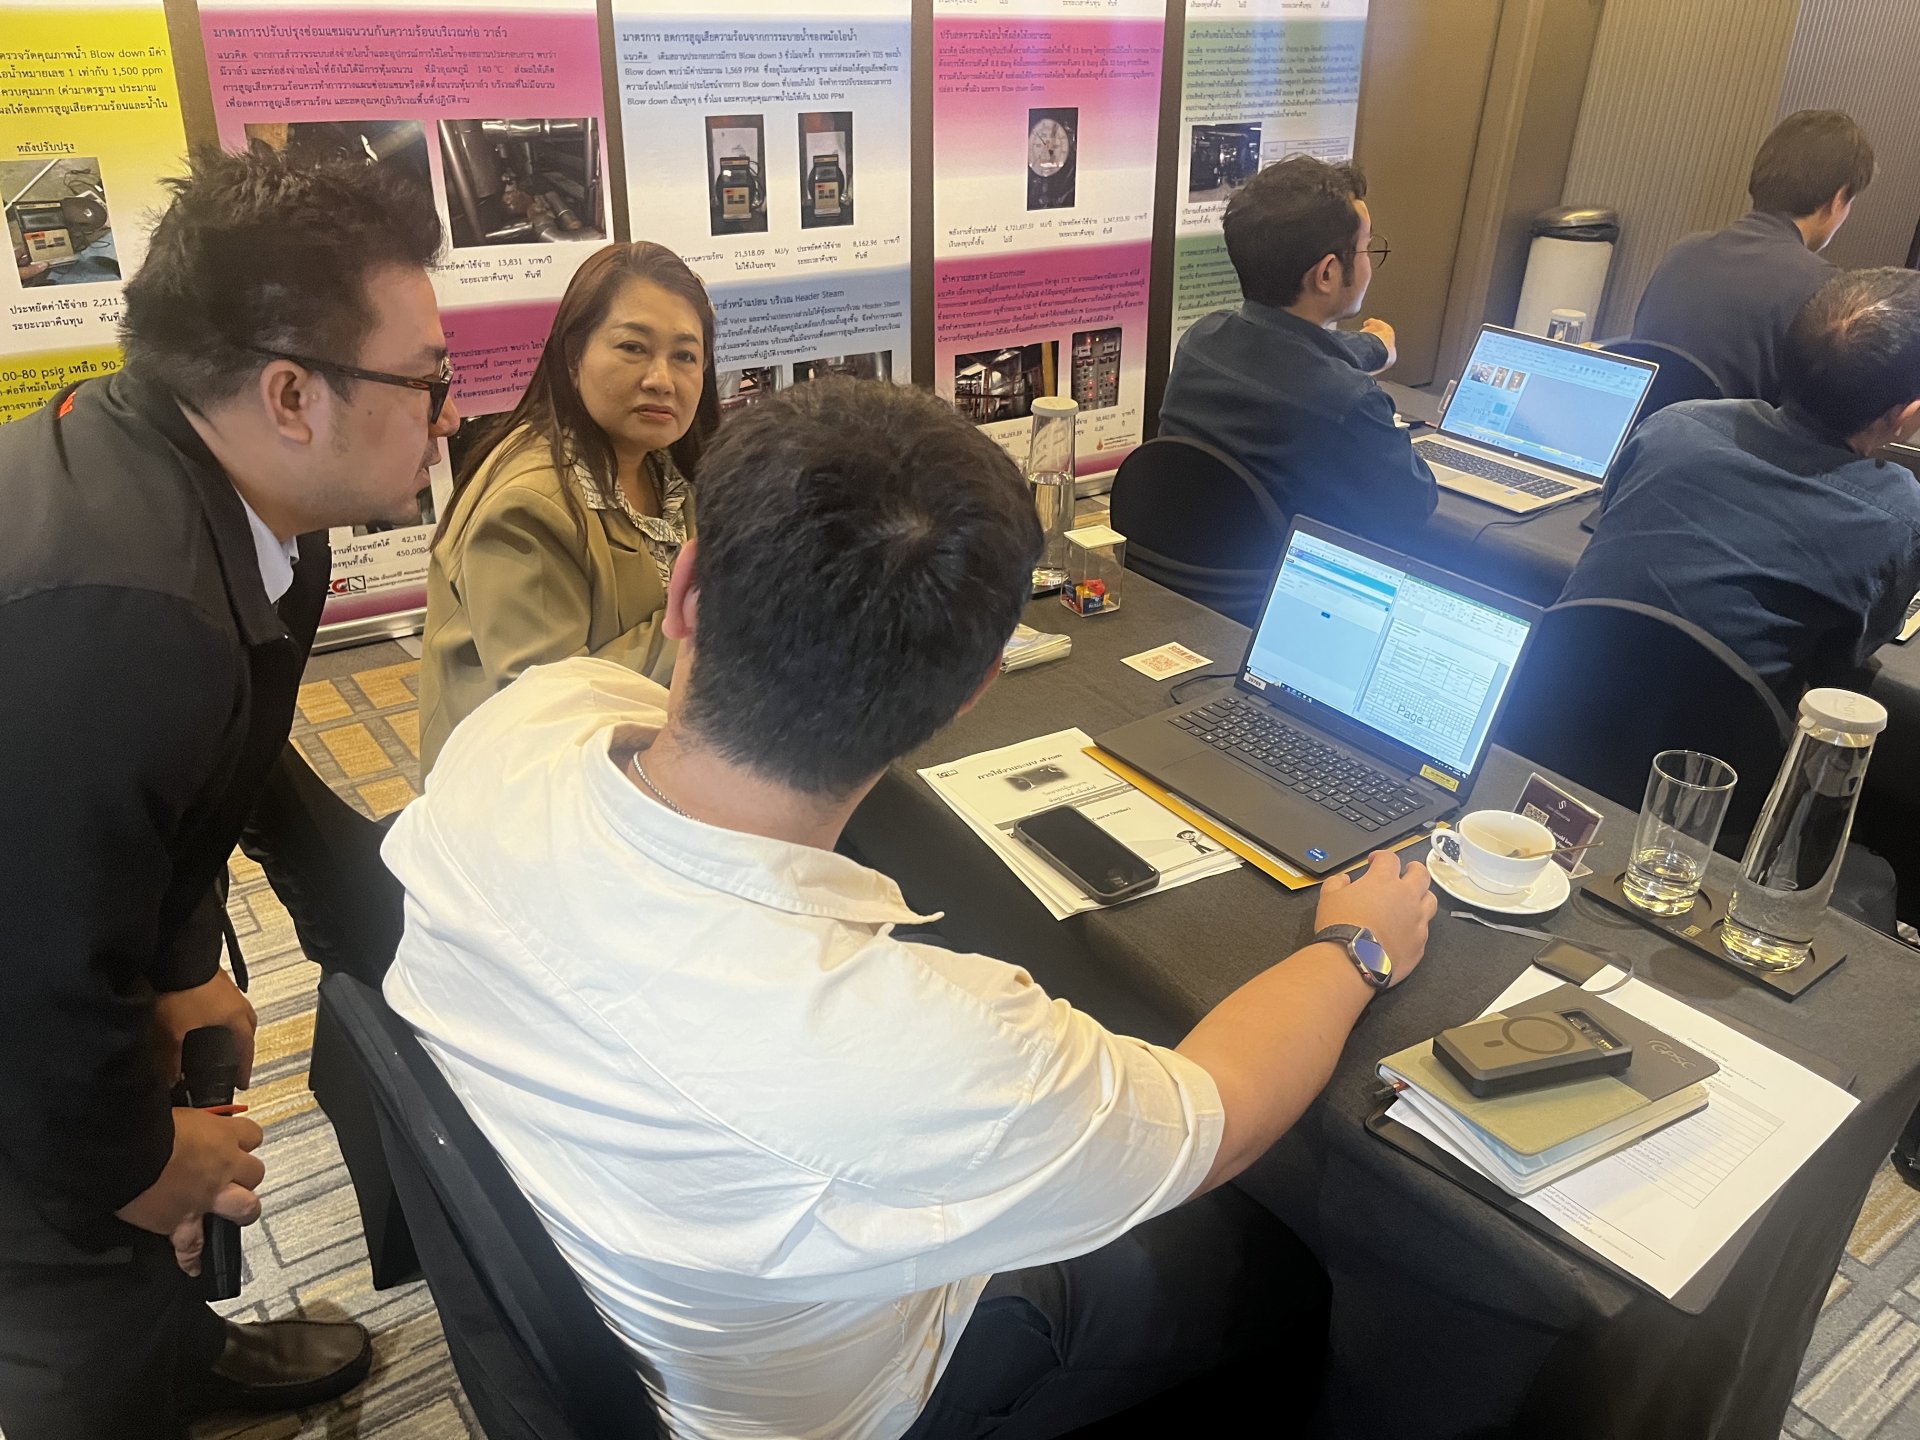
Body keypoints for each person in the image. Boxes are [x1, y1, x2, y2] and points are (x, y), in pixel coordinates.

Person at [383, 377, 1438, 1440]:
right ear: (976, 687)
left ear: (686, 587)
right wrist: (1354, 948)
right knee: (1272, 1256)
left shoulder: (523, 725)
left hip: (625, 1289)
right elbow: (1221, 1118)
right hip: (853, 1401)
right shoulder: (929, 1047)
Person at [0, 145, 460, 1439]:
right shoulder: (119, 619)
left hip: (51, 941)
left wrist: (180, 967)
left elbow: (188, 789)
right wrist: (141, 1165)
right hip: (18, 1032)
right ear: (291, 394)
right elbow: (25, 989)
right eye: (426, 379)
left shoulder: (231, 503)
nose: (446, 414)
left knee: (141, 1228)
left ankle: (177, 1356)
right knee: (65, 1300)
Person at [418, 241, 720, 773]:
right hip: (528, 784)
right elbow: (557, 704)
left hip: (650, 747)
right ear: (573, 355)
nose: (661, 379)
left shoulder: (667, 467)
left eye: (685, 356)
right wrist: (721, 623)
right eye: (633, 347)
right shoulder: (525, 507)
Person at [1561, 268, 1920, 708]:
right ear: (1904, 416)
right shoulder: (1897, 518)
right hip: (1722, 748)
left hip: (1551, 713)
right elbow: (1839, 665)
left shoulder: (1672, 425)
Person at [1158, 154, 1436, 542]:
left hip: (1177, 566)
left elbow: (1287, 350)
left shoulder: (1201, 342)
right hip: (1280, 576)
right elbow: (1414, 505)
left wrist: (1375, 346)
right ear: (1327, 274)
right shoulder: (1348, 402)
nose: (1370, 264)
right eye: (1366, 248)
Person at [1631, 110, 1876, 404]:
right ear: (1838, 199)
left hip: (1642, 429)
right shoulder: (1824, 290)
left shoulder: (1683, 252)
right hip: (1728, 436)